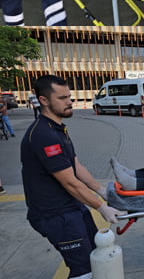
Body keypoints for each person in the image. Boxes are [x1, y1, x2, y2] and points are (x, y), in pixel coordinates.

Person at [22, 74, 122, 279]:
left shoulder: (58, 129)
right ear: (44, 100)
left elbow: (76, 166)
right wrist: (100, 207)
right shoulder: (43, 135)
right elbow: (69, 182)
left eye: (69, 96)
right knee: (84, 269)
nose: (69, 102)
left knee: (97, 254)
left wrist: (101, 191)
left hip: (72, 207)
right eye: (62, 98)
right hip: (54, 215)